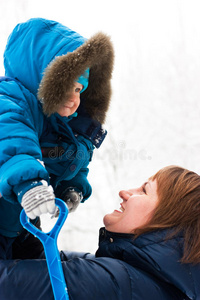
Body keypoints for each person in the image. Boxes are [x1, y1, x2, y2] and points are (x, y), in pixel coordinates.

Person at [0, 165, 200, 299]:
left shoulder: (117, 284)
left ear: (168, 221)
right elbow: (37, 262)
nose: (125, 192)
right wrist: (20, 208)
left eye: (144, 190)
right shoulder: (141, 283)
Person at [0, 17, 114, 243]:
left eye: (79, 89)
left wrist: (72, 186)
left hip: (22, 224)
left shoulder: (61, 124)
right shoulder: (10, 101)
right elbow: (12, 141)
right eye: (67, 87)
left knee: (40, 270)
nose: (75, 99)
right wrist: (29, 183)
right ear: (43, 77)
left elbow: (70, 157)